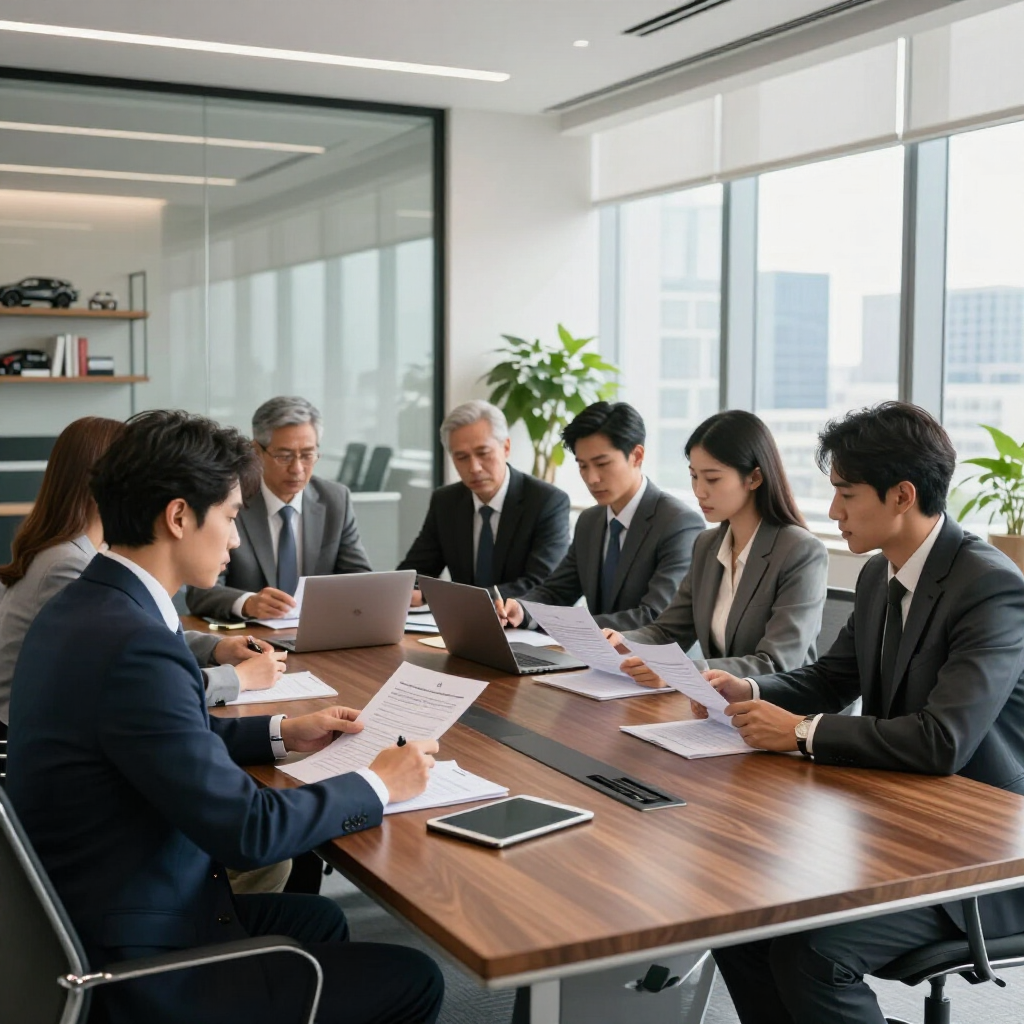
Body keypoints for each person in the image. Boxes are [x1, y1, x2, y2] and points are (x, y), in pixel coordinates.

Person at [6, 409, 443, 1024]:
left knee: (317, 918)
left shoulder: (89, 603)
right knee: (415, 977)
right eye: (233, 516)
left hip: (92, 907)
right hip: (135, 959)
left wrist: (282, 733)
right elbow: (249, 831)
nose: (237, 540)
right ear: (179, 516)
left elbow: (160, 735)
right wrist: (379, 782)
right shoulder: (135, 641)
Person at [697, 402, 1024, 1024]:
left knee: (810, 950)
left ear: (902, 495)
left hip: (984, 854)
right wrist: (754, 692)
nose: (833, 512)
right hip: (898, 821)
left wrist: (797, 733)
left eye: (846, 495)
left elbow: (941, 741)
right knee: (736, 919)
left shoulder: (989, 586)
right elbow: (830, 677)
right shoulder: (880, 576)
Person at [0, 417, 284, 733]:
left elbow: (139, 642)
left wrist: (214, 648)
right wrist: (240, 679)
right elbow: (137, 671)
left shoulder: (83, 553)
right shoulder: (69, 565)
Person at [605, 410, 828, 682]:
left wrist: (680, 672)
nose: (699, 491)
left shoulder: (800, 551)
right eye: (694, 476)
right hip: (716, 706)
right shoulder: (707, 545)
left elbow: (777, 663)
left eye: (712, 478)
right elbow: (668, 632)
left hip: (774, 710)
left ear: (755, 478)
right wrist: (623, 640)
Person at [501, 401, 704, 631]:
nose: (592, 478)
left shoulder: (678, 523)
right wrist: (523, 609)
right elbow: (556, 591)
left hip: (650, 663)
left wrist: (564, 625)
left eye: (602, 464)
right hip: (593, 659)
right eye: (583, 466)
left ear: (637, 456)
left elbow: (654, 616)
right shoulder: (590, 521)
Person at [186, 396, 372, 621]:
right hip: (250, 641)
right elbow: (200, 590)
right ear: (257, 451)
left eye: (307, 455)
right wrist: (248, 603)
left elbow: (360, 580)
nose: (297, 469)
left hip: (319, 632)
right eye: (284, 456)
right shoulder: (230, 501)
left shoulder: (335, 499)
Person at [398, 399, 570, 603]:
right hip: (461, 625)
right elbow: (414, 574)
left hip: (524, 627)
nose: (474, 468)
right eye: (461, 457)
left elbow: (540, 585)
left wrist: (446, 597)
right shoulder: (446, 501)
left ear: (506, 447)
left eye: (483, 453)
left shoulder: (546, 502)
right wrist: (405, 591)